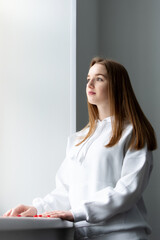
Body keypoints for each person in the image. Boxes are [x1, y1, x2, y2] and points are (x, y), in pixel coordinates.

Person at [3, 57, 157, 240]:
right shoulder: (78, 139)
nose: (90, 84)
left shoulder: (132, 132)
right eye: (88, 79)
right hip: (83, 235)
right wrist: (37, 209)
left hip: (122, 235)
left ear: (117, 85)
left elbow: (128, 190)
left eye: (99, 78)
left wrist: (78, 212)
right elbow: (65, 189)